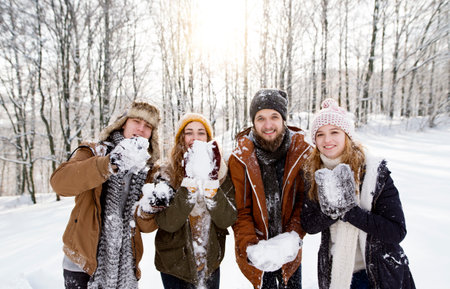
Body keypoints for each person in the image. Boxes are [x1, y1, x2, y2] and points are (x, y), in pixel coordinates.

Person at [300, 98, 416, 289]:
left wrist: (350, 212)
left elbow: (396, 231)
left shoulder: (374, 173)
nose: (327, 140)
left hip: (378, 273)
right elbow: (309, 225)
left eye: (334, 132)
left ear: (347, 135)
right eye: (320, 134)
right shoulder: (313, 174)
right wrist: (331, 211)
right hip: (337, 274)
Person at [50, 100, 162, 289]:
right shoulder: (94, 151)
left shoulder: (148, 171)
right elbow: (60, 183)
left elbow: (145, 226)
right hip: (83, 265)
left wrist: (150, 207)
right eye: (136, 121)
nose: (141, 129)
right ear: (124, 123)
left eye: (148, 126)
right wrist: (108, 164)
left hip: (125, 268)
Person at [228, 89, 312, 289]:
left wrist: (293, 237)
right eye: (260, 118)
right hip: (259, 251)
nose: (267, 125)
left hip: (290, 251)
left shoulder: (301, 152)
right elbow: (241, 210)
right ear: (253, 122)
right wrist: (251, 248)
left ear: (283, 119)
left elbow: (304, 201)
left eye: (274, 116)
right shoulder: (240, 158)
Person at [141, 112, 237, 289]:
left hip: (209, 263)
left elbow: (228, 219)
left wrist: (212, 187)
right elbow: (167, 223)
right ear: (181, 138)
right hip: (173, 266)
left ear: (208, 138)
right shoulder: (165, 173)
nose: (195, 137)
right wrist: (188, 187)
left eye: (201, 132)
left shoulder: (222, 172)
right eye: (189, 132)